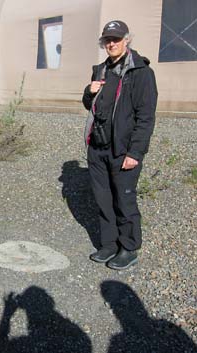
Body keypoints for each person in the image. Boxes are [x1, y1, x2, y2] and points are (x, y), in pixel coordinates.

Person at [82, 20, 158, 270]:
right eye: (107, 40)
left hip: (123, 151)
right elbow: (89, 105)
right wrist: (88, 91)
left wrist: (135, 152)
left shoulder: (141, 72)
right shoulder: (100, 70)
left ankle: (129, 248)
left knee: (124, 201)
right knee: (103, 199)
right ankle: (109, 245)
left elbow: (146, 117)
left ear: (127, 40)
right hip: (98, 148)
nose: (111, 43)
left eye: (116, 39)